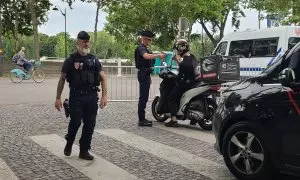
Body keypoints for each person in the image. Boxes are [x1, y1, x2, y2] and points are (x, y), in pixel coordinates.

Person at [54, 31, 108, 160]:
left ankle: (84, 150)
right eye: (84, 42)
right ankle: (69, 141)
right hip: (76, 96)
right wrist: (57, 98)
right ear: (77, 43)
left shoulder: (94, 60)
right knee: (76, 122)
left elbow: (103, 77)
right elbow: (62, 79)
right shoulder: (71, 60)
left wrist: (104, 96)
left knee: (90, 124)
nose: (86, 44)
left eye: (88, 41)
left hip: (91, 96)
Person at [165, 39, 200, 127]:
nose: (176, 52)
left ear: (180, 50)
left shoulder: (184, 63)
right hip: (195, 82)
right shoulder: (193, 57)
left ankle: (173, 120)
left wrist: (175, 78)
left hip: (186, 84)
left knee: (171, 98)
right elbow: (188, 68)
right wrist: (177, 61)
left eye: (177, 50)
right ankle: (193, 119)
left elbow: (180, 76)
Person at [135, 30, 165, 126]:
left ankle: (142, 118)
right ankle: (141, 119)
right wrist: (158, 55)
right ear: (143, 38)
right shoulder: (141, 48)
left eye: (151, 40)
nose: (150, 42)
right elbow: (146, 56)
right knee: (143, 97)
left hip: (146, 74)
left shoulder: (145, 48)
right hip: (143, 74)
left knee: (145, 97)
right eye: (148, 40)